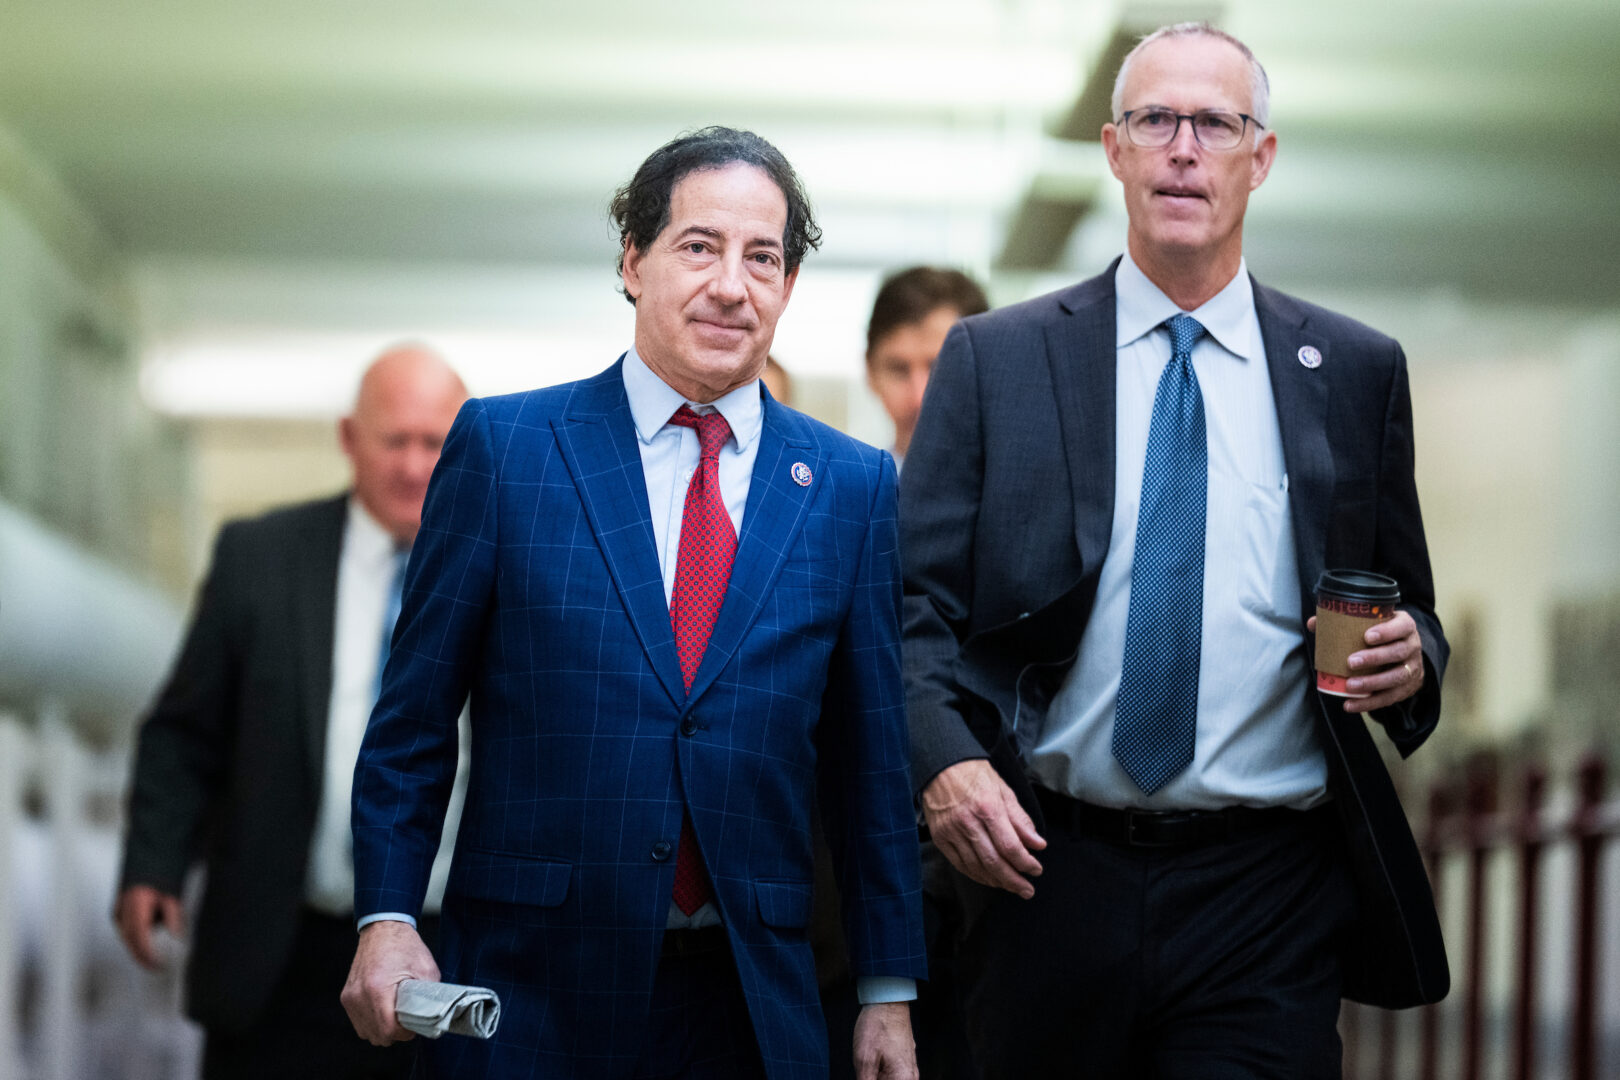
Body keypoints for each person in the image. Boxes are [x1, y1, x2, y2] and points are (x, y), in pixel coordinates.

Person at [901, 23, 1449, 1078]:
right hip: (1047, 872)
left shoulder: (1354, 372)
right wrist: (946, 762)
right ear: (1114, 149)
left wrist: (1415, 651)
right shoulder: (996, 361)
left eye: (1215, 122)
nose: (1184, 147)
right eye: (1156, 120)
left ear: (1263, 155)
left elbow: (1409, 603)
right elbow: (907, 605)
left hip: (1265, 894)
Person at [341, 127, 926, 1080]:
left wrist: (887, 989)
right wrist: (389, 917)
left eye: (763, 257)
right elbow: (411, 722)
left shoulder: (851, 487)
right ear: (633, 261)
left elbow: (870, 764)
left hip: (750, 994)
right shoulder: (509, 450)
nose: (732, 285)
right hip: (533, 993)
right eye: (700, 247)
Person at [115, 344, 472, 1079]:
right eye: (393, 440)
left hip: (448, 952)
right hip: (279, 952)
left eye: (433, 442)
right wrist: (154, 861)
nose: (412, 466)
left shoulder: (504, 564)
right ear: (349, 438)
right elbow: (185, 732)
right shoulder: (261, 557)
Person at [863, 267, 988, 467]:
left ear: (985, 370)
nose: (919, 398)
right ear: (870, 372)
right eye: (898, 370)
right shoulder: (849, 494)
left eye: (941, 369)